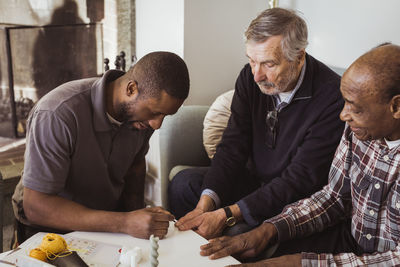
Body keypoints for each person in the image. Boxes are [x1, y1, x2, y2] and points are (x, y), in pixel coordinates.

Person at [200, 43, 400, 266]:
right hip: (351, 240)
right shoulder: (358, 132)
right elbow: (333, 198)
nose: (343, 115)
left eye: (355, 108)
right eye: (345, 103)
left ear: (396, 106)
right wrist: (270, 229)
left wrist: (300, 263)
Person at [169, 7, 345, 239]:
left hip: (293, 199)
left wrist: (227, 214)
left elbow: (300, 180)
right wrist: (205, 206)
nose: (256, 76)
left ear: (299, 57)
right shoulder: (249, 78)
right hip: (253, 181)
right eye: (252, 61)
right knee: (184, 185)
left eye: (269, 64)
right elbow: (232, 146)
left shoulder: (333, 97)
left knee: (238, 232)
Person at [12, 51, 190, 243]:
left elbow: (134, 166)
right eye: (155, 113)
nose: (157, 125)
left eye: (165, 116)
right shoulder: (57, 114)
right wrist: (125, 222)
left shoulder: (142, 119)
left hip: (105, 224)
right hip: (46, 228)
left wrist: (138, 218)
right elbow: (37, 207)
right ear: (131, 89)